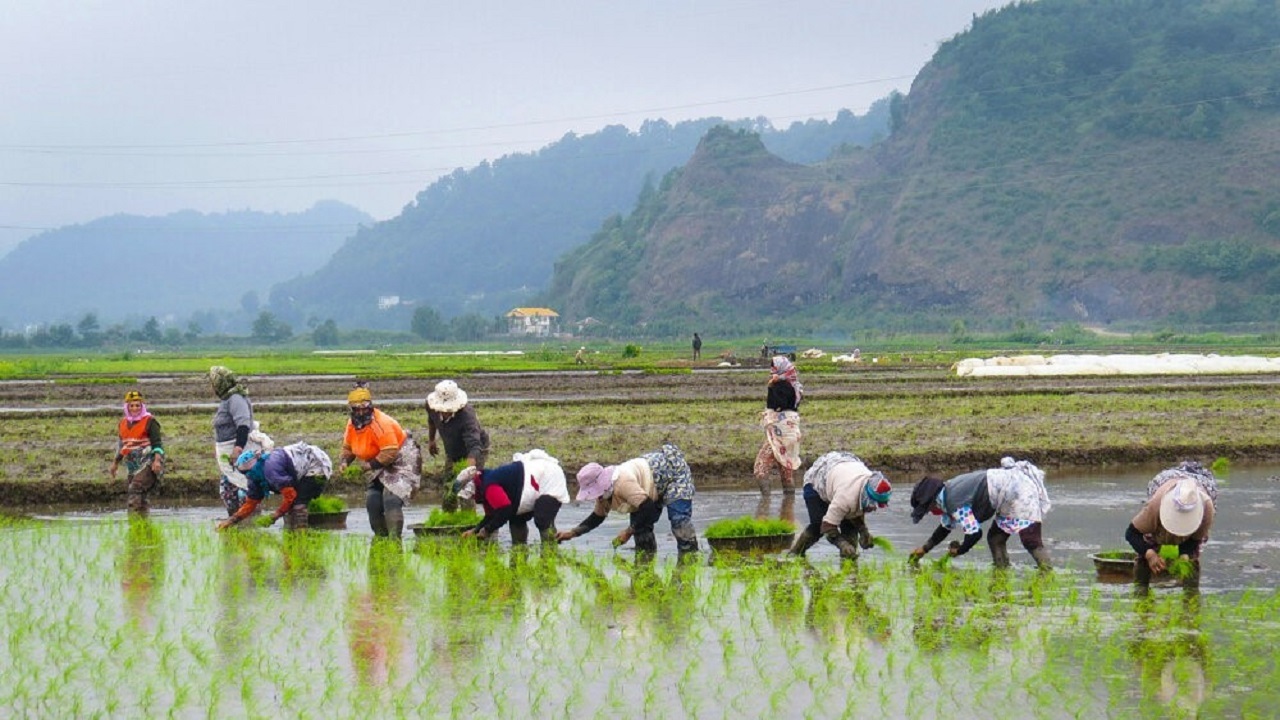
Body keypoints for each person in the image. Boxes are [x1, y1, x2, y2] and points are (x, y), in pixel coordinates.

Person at [908, 457, 1053, 569]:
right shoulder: (947, 492)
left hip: (1019, 490)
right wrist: (924, 549)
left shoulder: (954, 502)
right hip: (1007, 493)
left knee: (1030, 539)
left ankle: (1047, 573)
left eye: (928, 510)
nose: (930, 513)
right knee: (996, 538)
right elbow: (944, 528)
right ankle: (1002, 571)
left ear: (933, 503)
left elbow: (974, 533)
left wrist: (960, 551)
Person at [557, 443, 698, 554]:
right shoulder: (604, 495)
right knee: (641, 530)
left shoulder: (622, 483)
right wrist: (572, 533)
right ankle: (646, 562)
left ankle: (690, 556)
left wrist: (628, 532)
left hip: (673, 473)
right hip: (646, 487)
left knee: (679, 521)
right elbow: (596, 517)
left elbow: (647, 506)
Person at [339, 385, 421, 540]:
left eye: (365, 408)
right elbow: (348, 447)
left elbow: (390, 452)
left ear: (370, 406)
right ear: (352, 410)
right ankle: (381, 539)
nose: (361, 412)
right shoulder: (351, 425)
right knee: (373, 500)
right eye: (357, 409)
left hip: (401, 457)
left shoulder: (381, 423)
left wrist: (369, 466)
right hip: (377, 459)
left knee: (391, 498)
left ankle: (394, 541)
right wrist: (344, 462)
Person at [454, 449, 570, 545]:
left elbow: (505, 510)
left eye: (472, 495)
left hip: (547, 477)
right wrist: (475, 530)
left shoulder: (489, 487)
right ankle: (520, 552)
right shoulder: (484, 484)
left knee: (543, 519)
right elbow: (491, 515)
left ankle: (549, 554)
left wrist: (486, 530)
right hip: (522, 489)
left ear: (473, 487)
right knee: (516, 520)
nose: (473, 498)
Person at [789, 451, 891, 559]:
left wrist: (863, 531)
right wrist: (842, 544)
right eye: (874, 503)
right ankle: (795, 553)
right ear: (867, 496)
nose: (874, 508)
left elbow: (856, 510)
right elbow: (827, 526)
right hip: (818, 478)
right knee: (817, 526)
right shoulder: (845, 497)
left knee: (850, 529)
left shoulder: (868, 486)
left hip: (845, 468)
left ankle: (849, 565)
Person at [216, 440, 334, 531]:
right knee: (292, 506)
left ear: (252, 468)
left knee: (298, 504)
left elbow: (290, 495)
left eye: (247, 473)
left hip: (316, 465)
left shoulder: (270, 469)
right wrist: (232, 521)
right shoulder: (256, 478)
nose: (247, 476)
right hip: (298, 468)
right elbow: (251, 503)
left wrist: (276, 515)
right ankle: (293, 532)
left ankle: (301, 535)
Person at [1126, 468, 1215, 584]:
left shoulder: (1207, 509)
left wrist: (1185, 554)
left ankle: (1191, 596)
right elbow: (1131, 533)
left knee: (1191, 559)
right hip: (1168, 481)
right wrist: (1149, 554)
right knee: (1145, 551)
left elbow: (1195, 539)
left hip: (1200, 484)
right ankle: (1141, 592)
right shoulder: (1156, 505)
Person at [424, 379, 490, 510]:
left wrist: (467, 472)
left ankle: (469, 523)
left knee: (466, 488)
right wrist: (431, 440)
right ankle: (448, 517)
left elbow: (474, 446)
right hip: (452, 449)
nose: (443, 411)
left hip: (475, 451)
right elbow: (431, 420)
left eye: (447, 409)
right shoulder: (431, 405)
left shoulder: (466, 417)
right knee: (449, 486)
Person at [209, 365, 257, 516]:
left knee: (244, 491)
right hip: (228, 455)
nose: (212, 387)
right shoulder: (227, 399)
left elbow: (243, 425)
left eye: (213, 383)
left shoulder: (235, 399)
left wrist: (238, 449)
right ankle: (236, 526)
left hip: (239, 453)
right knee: (228, 491)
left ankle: (250, 524)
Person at [109, 390, 165, 513]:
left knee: (136, 488)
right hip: (132, 464)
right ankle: (142, 524)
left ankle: (133, 519)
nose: (135, 408)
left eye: (138, 405)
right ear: (127, 407)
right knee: (140, 496)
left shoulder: (150, 421)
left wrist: (157, 461)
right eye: (132, 406)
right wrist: (115, 463)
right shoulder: (122, 423)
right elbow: (122, 445)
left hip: (148, 462)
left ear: (142, 406)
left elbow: (157, 444)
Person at [754, 355, 803, 494]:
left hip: (781, 432)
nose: (772, 370)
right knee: (786, 474)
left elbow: (776, 405)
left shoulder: (781, 385)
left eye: (774, 367)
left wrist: (771, 386)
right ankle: (788, 509)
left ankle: (764, 507)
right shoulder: (794, 385)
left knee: (760, 469)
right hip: (791, 432)